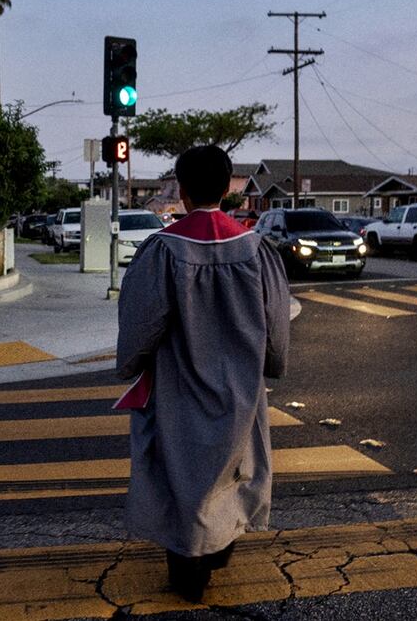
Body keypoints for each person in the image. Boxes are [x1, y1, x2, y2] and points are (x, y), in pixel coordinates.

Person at [116, 144, 291, 603]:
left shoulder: (162, 250)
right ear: (227, 187)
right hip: (241, 387)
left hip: (179, 384)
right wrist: (271, 363)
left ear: (184, 189)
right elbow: (276, 323)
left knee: (181, 471)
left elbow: (141, 324)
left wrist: (131, 362)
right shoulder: (257, 248)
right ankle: (219, 547)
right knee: (233, 466)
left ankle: (187, 564)